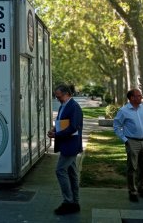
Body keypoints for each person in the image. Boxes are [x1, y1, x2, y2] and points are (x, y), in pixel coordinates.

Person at [47, 84, 83, 215]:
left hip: (71, 145)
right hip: (67, 144)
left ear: (67, 94)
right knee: (72, 173)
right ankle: (75, 202)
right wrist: (53, 129)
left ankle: (68, 202)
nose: (57, 99)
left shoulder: (73, 107)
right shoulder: (65, 105)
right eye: (56, 97)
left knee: (60, 170)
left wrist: (57, 134)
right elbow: (61, 121)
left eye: (59, 97)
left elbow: (73, 127)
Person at [113, 88, 143, 202]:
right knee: (132, 167)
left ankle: (142, 187)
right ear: (131, 98)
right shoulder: (124, 111)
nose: (141, 97)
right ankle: (132, 190)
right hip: (132, 142)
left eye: (140, 95)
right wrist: (125, 140)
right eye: (138, 96)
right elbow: (116, 126)